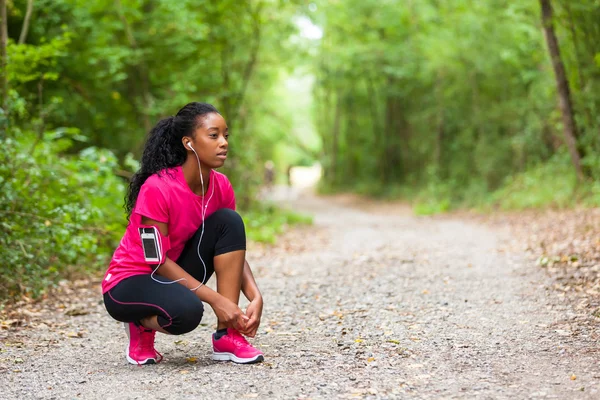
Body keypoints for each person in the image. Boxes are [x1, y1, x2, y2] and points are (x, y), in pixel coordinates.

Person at [101, 102, 264, 365]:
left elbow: (232, 251)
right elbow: (157, 261)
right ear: (189, 143)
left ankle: (228, 335)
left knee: (229, 221)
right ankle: (140, 325)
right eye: (214, 135)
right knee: (186, 313)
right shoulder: (158, 188)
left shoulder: (221, 186)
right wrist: (217, 300)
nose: (223, 143)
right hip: (130, 281)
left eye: (225, 136)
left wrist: (255, 295)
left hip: (173, 271)